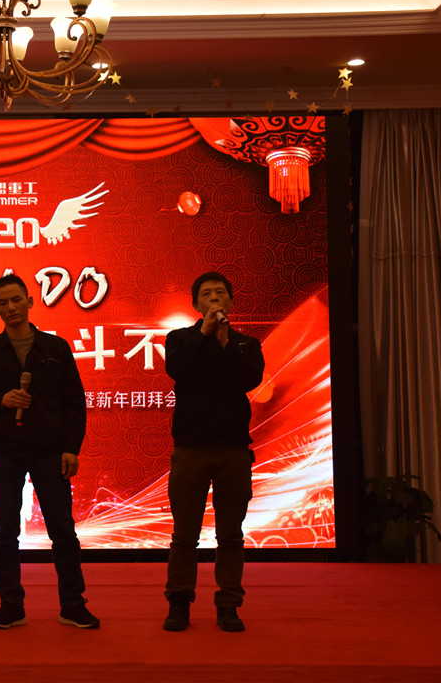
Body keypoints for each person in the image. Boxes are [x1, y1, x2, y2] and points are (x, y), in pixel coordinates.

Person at [0, 274, 99, 630]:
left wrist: (71, 448)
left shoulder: (55, 348)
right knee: (4, 532)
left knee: (63, 531)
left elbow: (75, 402)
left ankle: (72, 604)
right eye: (3, 303)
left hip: (50, 451)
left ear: (29, 301)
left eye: (16, 300)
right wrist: (1, 400)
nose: (11, 307)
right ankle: (11, 605)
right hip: (5, 452)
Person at [162, 271, 264, 633]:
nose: (215, 298)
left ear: (231, 302)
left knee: (231, 534)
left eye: (221, 293)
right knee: (184, 535)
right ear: (196, 304)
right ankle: (179, 603)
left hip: (233, 451)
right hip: (190, 450)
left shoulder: (245, 344)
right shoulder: (180, 339)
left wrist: (223, 342)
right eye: (207, 294)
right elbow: (179, 371)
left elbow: (251, 380)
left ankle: (228, 605)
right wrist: (205, 334)